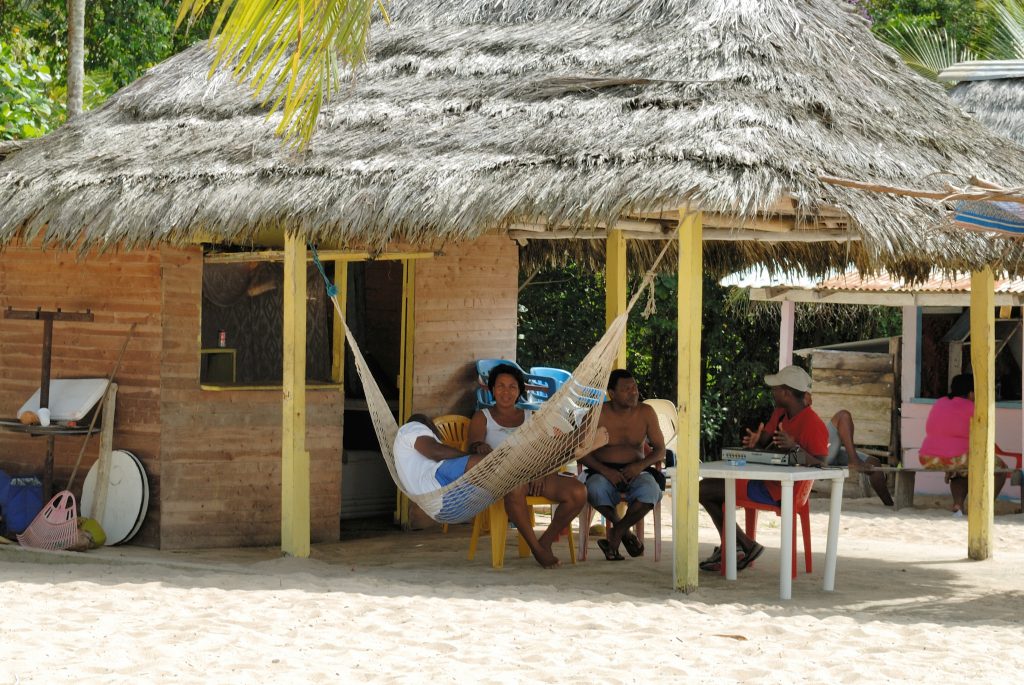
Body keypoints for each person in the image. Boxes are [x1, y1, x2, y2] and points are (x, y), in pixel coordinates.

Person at [698, 365, 829, 572]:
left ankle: (743, 545)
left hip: (780, 492)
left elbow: (821, 464)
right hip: (762, 481)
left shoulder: (813, 424)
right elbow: (762, 447)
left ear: (786, 392)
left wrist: (794, 446)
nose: (772, 391)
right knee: (707, 488)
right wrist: (755, 443)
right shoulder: (779, 414)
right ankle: (736, 545)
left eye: (776, 388)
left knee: (704, 490)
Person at [467, 363, 588, 569]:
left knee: (578, 492)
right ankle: (537, 549)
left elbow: (543, 451)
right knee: (515, 487)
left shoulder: (531, 418)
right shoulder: (482, 417)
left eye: (512, 386)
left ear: (519, 391)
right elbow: (474, 445)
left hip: (533, 472)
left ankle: (546, 541)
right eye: (501, 386)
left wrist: (539, 473)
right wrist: (481, 447)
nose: (506, 392)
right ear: (492, 390)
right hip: (500, 476)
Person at [578, 369, 666, 561]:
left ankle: (616, 532)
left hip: (637, 469)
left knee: (651, 490)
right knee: (593, 488)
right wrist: (606, 471)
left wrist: (640, 466)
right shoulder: (597, 414)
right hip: (602, 470)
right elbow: (580, 452)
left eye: (634, 387)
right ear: (612, 393)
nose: (634, 392)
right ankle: (623, 532)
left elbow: (661, 450)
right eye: (626, 389)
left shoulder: (646, 412)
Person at [919, 373, 1008, 516]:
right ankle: (984, 508)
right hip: (956, 458)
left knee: (960, 469)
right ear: (971, 393)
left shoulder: (940, 402)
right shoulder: (973, 408)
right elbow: (981, 439)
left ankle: (958, 506)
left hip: (927, 458)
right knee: (1001, 469)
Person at [393, 414, 486, 521]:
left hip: (441, 510)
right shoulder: (413, 426)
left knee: (493, 475)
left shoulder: (403, 450)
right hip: (440, 485)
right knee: (489, 462)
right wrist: (469, 457)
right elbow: (436, 452)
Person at [811, 400, 894, 506]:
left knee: (874, 463)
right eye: (807, 397)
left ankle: (889, 505)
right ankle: (854, 460)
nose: (810, 400)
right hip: (819, 453)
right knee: (843, 416)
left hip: (830, 450)